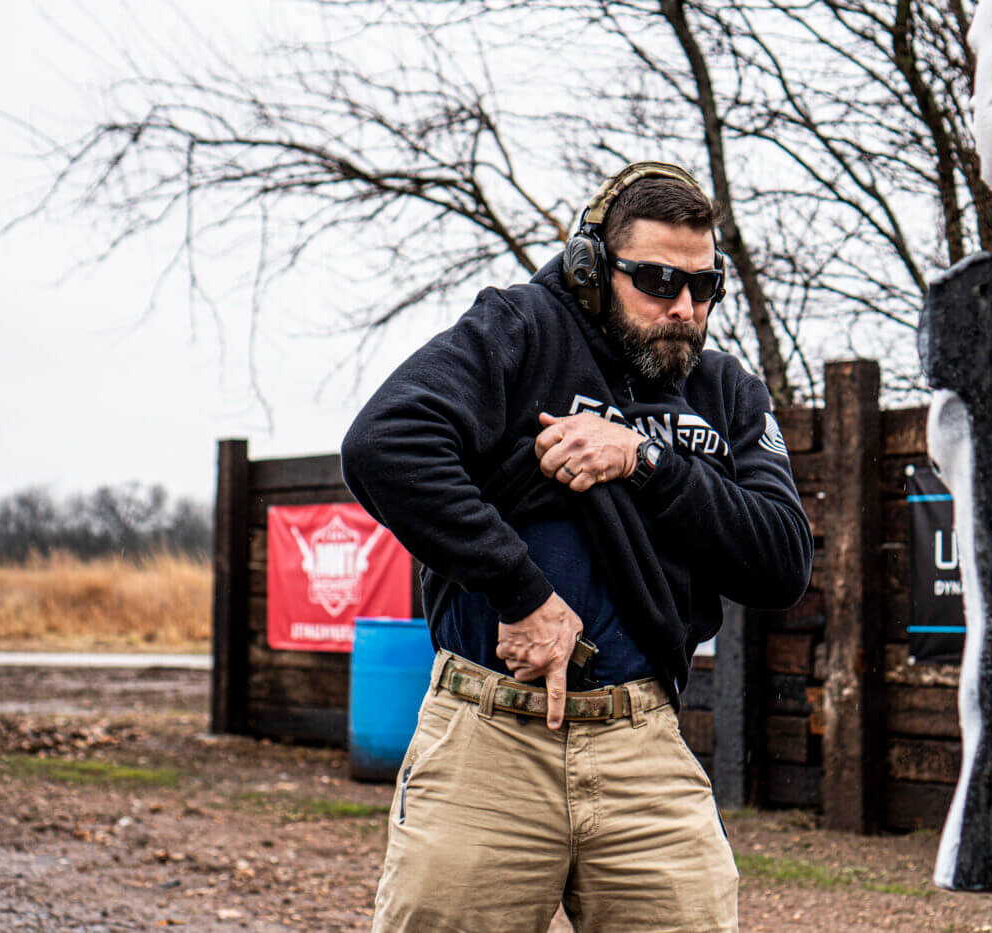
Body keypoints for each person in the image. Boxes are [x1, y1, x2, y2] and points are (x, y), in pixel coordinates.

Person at [341, 161, 813, 932]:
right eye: (658, 280)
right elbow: (384, 442)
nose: (685, 308)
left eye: (705, 286)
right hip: (488, 735)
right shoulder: (521, 331)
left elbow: (783, 560)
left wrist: (645, 459)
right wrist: (519, 591)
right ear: (592, 267)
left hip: (643, 739)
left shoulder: (726, 392)